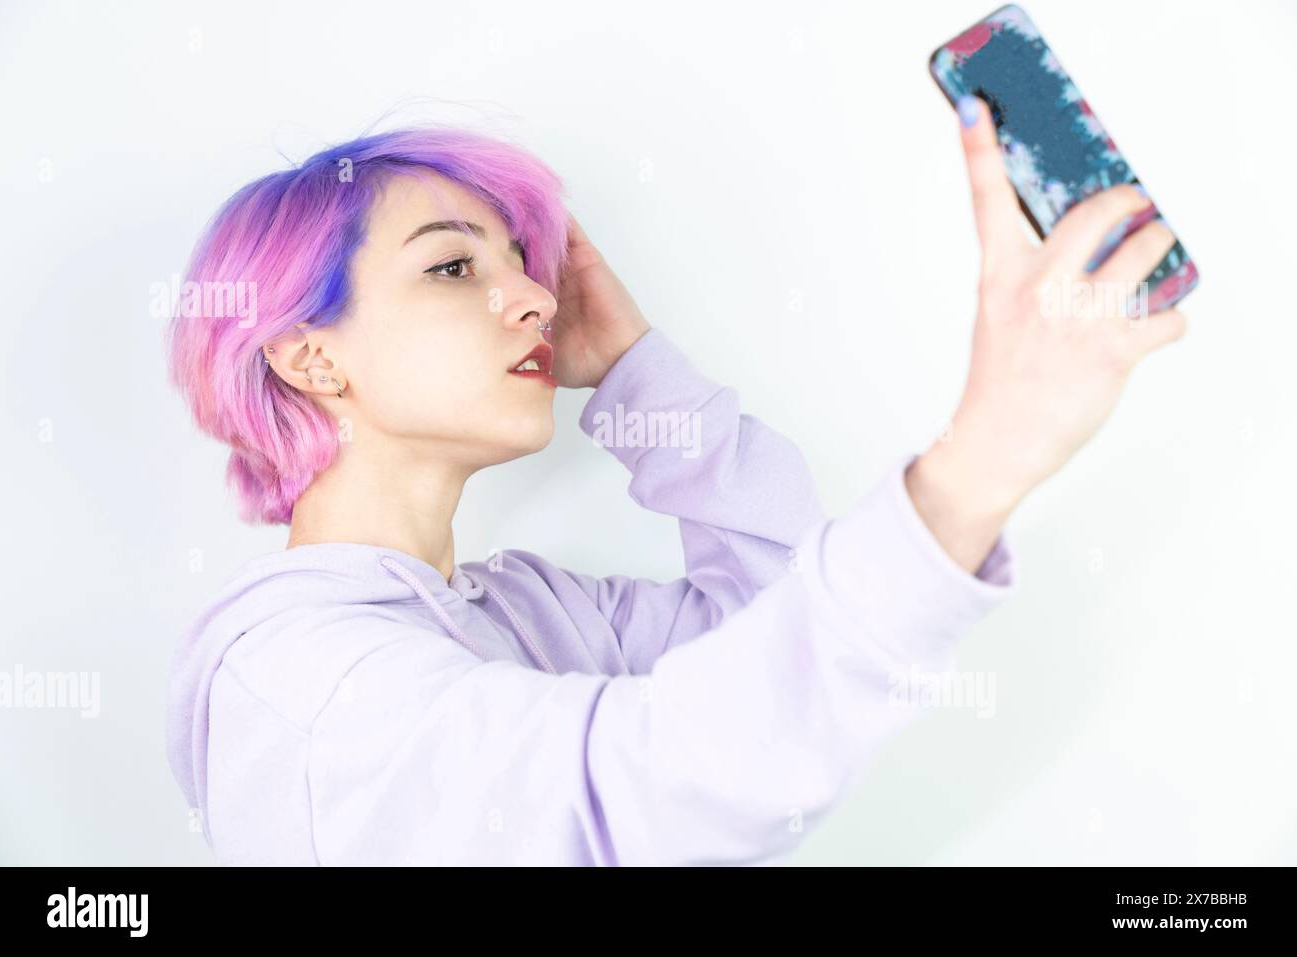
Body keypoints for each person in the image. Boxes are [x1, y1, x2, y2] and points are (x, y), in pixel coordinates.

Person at [163, 97, 1186, 865]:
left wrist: (635, 371)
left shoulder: (523, 609)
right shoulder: (300, 676)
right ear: (308, 358)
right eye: (451, 267)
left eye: (520, 261)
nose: (527, 295)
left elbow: (776, 607)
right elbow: (630, 788)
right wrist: (985, 455)